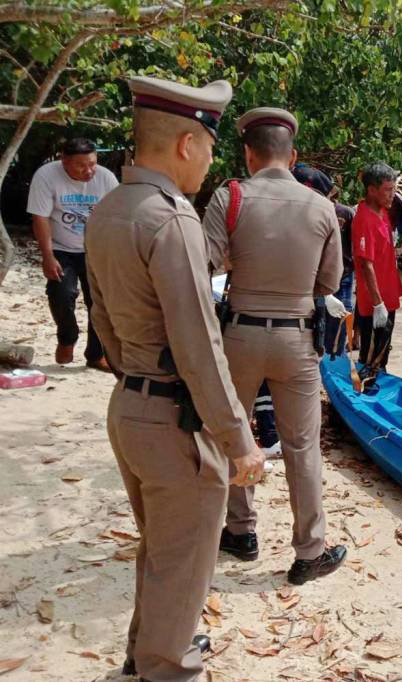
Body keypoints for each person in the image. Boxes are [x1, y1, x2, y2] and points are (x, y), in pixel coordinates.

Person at [85, 76, 264, 681]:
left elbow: (102, 323)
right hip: (171, 419)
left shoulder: (107, 208)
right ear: (187, 143)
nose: (210, 161)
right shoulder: (173, 220)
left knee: (163, 551)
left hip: (128, 406)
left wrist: (135, 371)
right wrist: (239, 440)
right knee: (183, 556)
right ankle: (164, 664)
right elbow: (199, 346)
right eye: (210, 148)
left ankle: (146, 651)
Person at [203, 108, 346, 585]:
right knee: (303, 446)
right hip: (296, 338)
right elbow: (329, 282)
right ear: (294, 155)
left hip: (239, 333)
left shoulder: (231, 195)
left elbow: (207, 263)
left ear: (249, 153)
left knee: (235, 433)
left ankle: (240, 532)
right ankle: (309, 552)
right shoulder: (323, 208)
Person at [28, 137, 118, 369]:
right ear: (64, 161)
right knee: (61, 293)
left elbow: (118, 218)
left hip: (96, 248)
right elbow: (41, 217)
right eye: (81, 165)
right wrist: (47, 256)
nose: (89, 171)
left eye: (92, 164)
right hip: (60, 246)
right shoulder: (46, 175)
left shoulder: (106, 178)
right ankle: (67, 337)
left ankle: (96, 355)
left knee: (99, 303)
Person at [291, 163, 356, 355]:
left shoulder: (341, 214)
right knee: (313, 330)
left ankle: (333, 364)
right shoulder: (293, 217)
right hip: (311, 283)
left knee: (336, 329)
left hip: (337, 276)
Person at [352, 161, 402, 380]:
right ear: (372, 190)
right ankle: (364, 392)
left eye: (394, 189)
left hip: (388, 294)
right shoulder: (364, 218)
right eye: (388, 190)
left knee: (383, 351)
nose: (392, 195)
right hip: (375, 300)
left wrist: (401, 185)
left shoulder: (383, 211)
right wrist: (377, 303)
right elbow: (365, 264)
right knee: (371, 355)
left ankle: (378, 383)